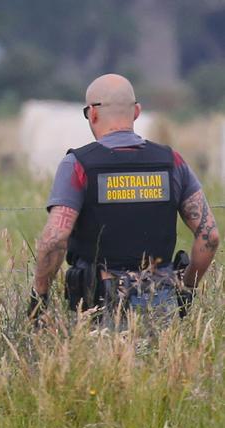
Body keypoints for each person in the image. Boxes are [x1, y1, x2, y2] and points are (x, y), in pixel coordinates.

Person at [28, 73, 219, 325]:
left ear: (92, 114)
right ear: (137, 112)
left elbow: (55, 238)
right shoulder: (172, 162)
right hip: (162, 305)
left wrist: (39, 296)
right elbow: (210, 236)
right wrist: (186, 291)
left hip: (98, 307)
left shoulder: (78, 165)